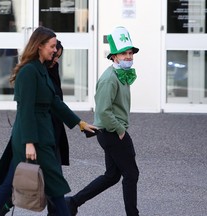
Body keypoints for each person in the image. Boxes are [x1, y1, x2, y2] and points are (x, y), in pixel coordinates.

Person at [0, 26, 97, 216]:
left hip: (42, 135)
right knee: (55, 185)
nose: (55, 50)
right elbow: (26, 110)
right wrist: (29, 143)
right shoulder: (29, 72)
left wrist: (80, 123)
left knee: (10, 184)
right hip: (33, 138)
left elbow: (55, 103)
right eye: (52, 46)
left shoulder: (41, 70)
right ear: (39, 46)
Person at [66, 26, 140, 216]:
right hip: (112, 132)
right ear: (114, 57)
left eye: (130, 53)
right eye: (124, 54)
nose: (129, 57)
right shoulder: (109, 79)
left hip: (112, 131)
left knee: (112, 176)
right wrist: (120, 130)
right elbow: (103, 111)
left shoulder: (120, 75)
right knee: (131, 174)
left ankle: (73, 202)